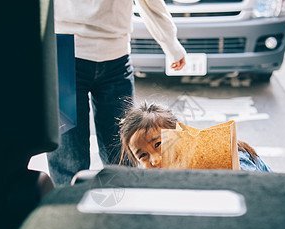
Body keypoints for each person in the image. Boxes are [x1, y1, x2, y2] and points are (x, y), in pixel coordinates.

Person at [48, 0, 187, 185]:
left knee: (123, 156)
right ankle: (71, 211)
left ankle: (118, 210)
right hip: (66, 50)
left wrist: (171, 44)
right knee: (71, 161)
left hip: (113, 55)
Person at [119, 102, 273, 172]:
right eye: (143, 155)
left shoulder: (230, 159)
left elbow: (254, 194)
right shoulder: (167, 177)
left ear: (181, 134)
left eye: (159, 144)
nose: (154, 160)